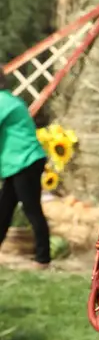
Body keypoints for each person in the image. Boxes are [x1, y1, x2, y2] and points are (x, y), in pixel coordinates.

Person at [0, 71, 51, 269]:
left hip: (25, 161)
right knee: (4, 209)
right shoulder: (10, 100)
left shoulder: (3, 102)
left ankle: (43, 259)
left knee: (31, 209)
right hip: (18, 163)